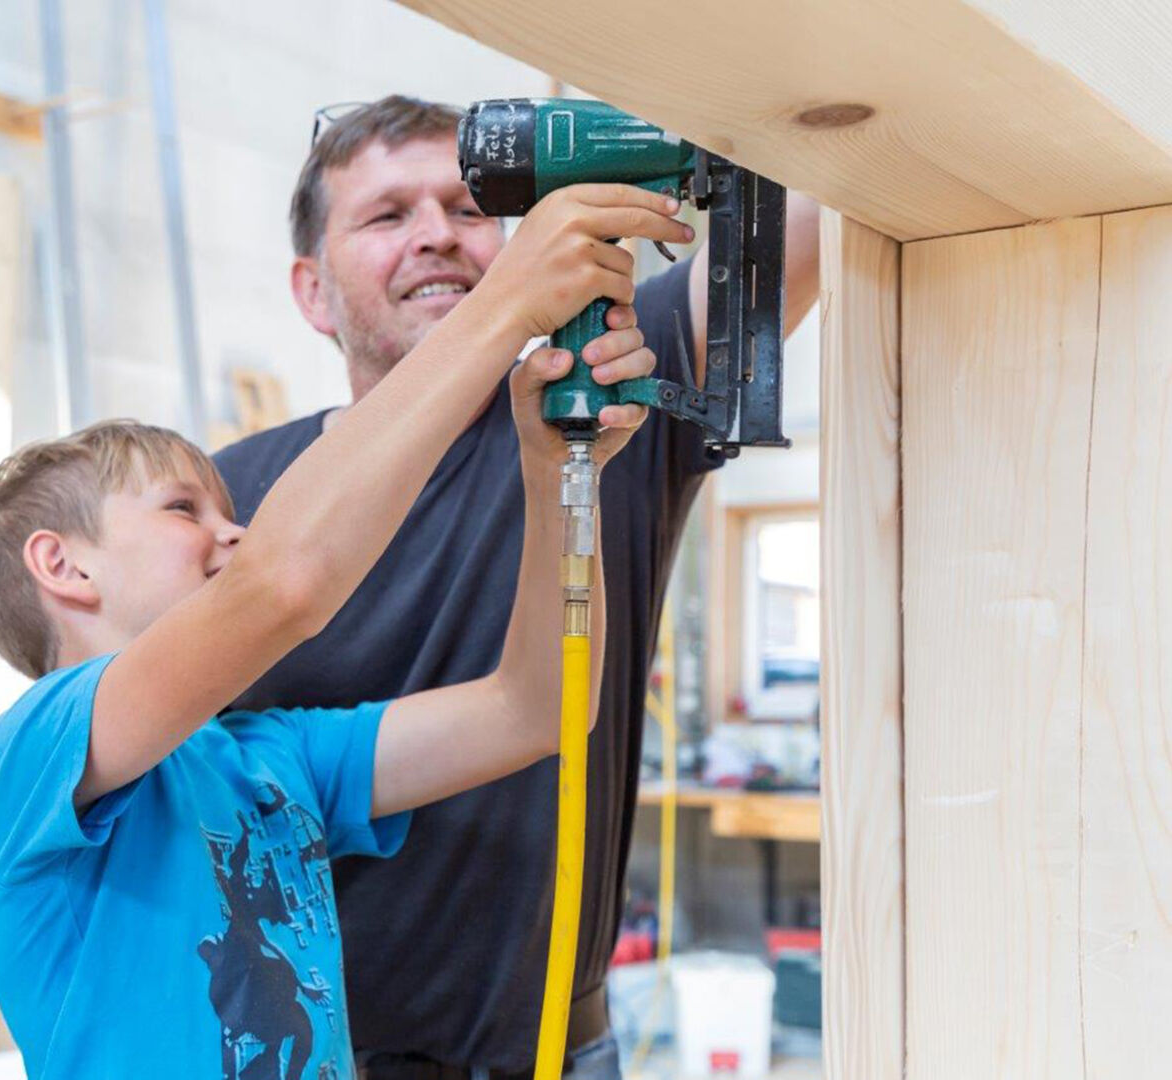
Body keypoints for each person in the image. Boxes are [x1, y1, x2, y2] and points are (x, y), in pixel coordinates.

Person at [0, 180, 686, 1079]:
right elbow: (283, 585)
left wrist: (551, 466)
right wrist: (502, 307)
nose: (233, 531)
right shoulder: (30, 757)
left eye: (226, 509)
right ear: (63, 566)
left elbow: (537, 706)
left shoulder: (268, 759)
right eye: (182, 509)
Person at [214, 96, 821, 1079]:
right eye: (386, 216)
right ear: (313, 292)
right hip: (312, 1054)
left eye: (468, 208)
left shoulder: (603, 394)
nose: (437, 239)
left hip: (554, 1051)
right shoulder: (231, 498)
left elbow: (817, 203)